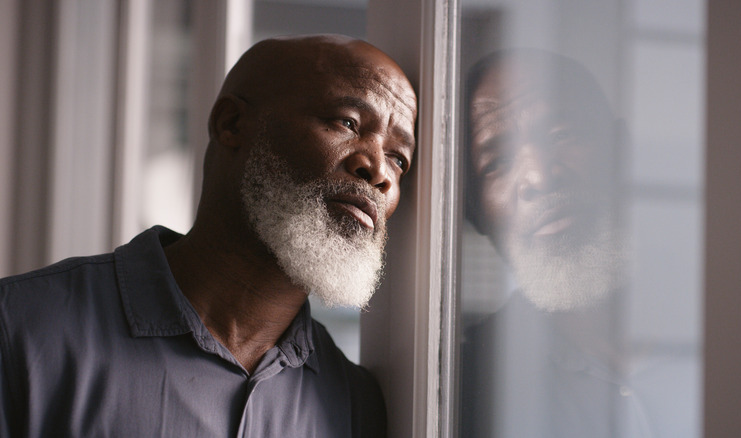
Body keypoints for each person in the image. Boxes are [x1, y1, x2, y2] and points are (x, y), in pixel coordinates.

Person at [0, 34, 416, 437]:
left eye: (399, 159)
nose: (379, 171)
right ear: (231, 123)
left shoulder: (354, 406)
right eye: (347, 122)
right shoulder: (21, 327)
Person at [459, 49, 633, 437]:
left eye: (563, 135)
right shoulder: (458, 389)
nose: (539, 176)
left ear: (622, 153)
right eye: (498, 162)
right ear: (476, 214)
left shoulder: (739, 323)